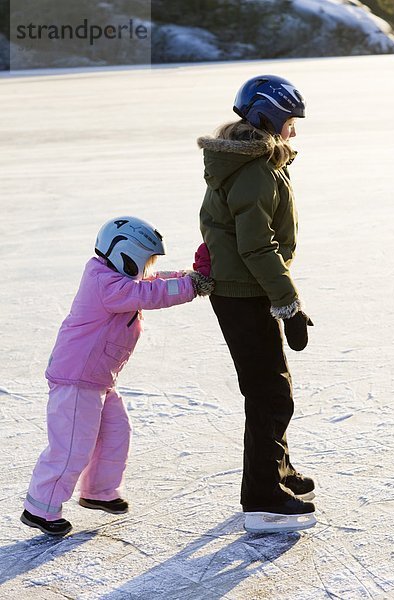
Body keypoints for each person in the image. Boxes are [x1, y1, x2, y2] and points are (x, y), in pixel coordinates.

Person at [21, 216, 214, 536]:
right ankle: (40, 508)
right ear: (128, 254)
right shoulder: (105, 283)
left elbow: (150, 284)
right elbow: (148, 294)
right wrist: (191, 287)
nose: (149, 269)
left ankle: (98, 492)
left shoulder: (114, 277)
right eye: (147, 262)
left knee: (116, 432)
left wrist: (189, 277)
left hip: (97, 379)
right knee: (70, 447)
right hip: (77, 379)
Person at [196, 75, 316, 533]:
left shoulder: (253, 161)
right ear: (267, 117)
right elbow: (256, 246)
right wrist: (288, 304)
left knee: (272, 388)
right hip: (242, 292)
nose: (293, 131)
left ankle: (276, 473)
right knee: (267, 392)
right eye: (288, 122)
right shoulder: (255, 169)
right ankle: (263, 497)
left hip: (244, 288)